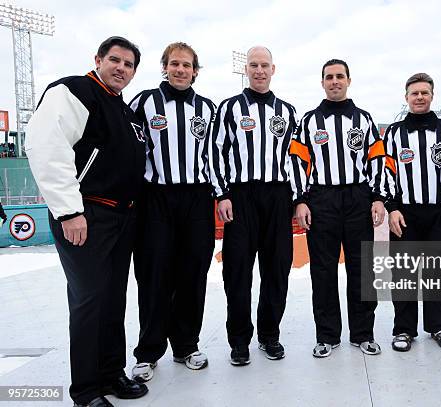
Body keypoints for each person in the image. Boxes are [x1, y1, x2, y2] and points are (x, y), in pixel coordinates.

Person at [25, 36, 148, 407]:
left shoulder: (122, 109)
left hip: (120, 215)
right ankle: (86, 391)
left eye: (128, 65)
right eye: (115, 60)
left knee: (113, 299)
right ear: (97, 59)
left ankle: (112, 374)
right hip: (86, 214)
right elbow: (46, 145)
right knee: (89, 300)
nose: (121, 69)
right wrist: (68, 210)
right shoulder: (75, 90)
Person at [128, 42, 217, 382]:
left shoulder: (207, 108)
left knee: (192, 275)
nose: (181, 70)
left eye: (187, 65)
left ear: (196, 70)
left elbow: (215, 155)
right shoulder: (144, 101)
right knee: (153, 276)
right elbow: (129, 150)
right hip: (156, 198)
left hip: (196, 198)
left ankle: (186, 345)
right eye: (175, 64)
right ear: (165, 67)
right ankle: (148, 351)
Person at [290, 58, 386, 358]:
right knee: (323, 270)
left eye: (340, 76)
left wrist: (378, 198)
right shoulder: (308, 121)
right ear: (322, 82)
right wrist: (301, 200)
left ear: (348, 80)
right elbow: (296, 163)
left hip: (358, 199)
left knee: (362, 268)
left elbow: (377, 161)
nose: (334, 81)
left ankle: (362, 334)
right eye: (329, 77)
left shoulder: (365, 120)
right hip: (322, 200)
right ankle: (327, 335)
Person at [209, 46, 297, 366]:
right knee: (238, 272)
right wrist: (223, 194)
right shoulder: (229, 107)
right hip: (241, 196)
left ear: (274, 69)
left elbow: (295, 160)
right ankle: (239, 341)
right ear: (246, 69)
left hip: (277, 198)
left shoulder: (287, 112)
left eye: (264, 65)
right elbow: (215, 152)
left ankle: (269, 335)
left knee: (276, 270)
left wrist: (297, 199)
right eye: (253, 65)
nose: (259, 70)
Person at [383, 73, 441, 352]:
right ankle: (404, 329)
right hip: (405, 213)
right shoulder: (395, 133)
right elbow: (386, 172)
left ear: (432, 95)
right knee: (404, 274)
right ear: (406, 97)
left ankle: (440, 326)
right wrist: (392, 208)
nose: (419, 97)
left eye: (424, 92)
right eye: (414, 93)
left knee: (439, 272)